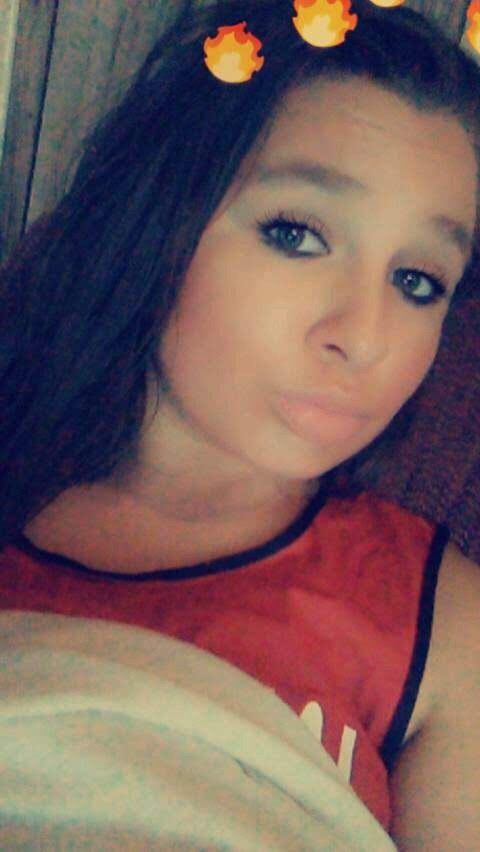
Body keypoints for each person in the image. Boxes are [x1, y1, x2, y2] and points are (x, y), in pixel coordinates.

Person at [0, 0, 479, 847]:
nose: (364, 336)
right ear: (159, 221)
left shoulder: (443, 623)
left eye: (418, 282)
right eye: (296, 234)